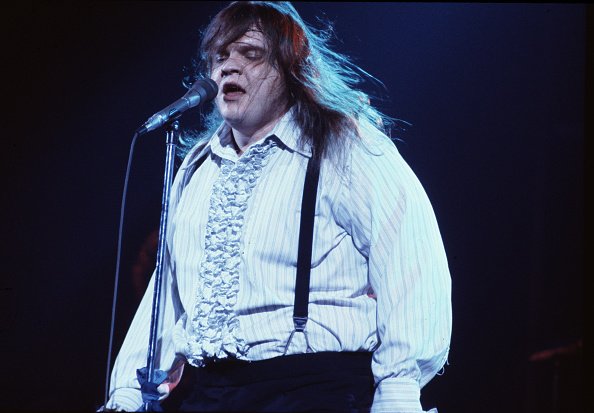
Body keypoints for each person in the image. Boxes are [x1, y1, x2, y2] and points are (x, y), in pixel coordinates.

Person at [104, 2, 452, 412]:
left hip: (315, 389)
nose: (228, 67)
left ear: (290, 67)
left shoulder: (345, 145)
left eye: (250, 54)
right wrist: (128, 391)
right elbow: (170, 290)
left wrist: (398, 392)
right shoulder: (198, 167)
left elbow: (409, 258)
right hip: (213, 393)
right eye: (219, 56)